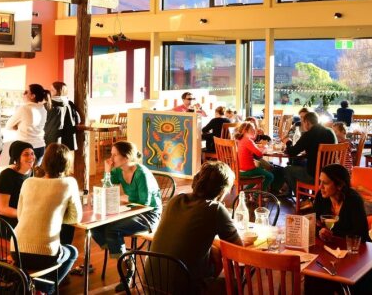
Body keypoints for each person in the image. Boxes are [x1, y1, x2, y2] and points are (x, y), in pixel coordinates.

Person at [149, 161, 242, 290]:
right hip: (180, 290)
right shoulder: (215, 209)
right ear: (222, 190)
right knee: (235, 286)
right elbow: (238, 248)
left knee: (214, 252)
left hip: (149, 286)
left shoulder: (175, 200)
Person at [91, 141, 162, 290]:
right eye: (111, 154)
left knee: (112, 230)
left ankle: (127, 271)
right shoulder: (119, 171)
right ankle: (124, 256)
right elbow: (107, 185)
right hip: (133, 209)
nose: (111, 158)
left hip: (149, 214)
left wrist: (122, 211)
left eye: (114, 155)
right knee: (95, 228)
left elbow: (144, 204)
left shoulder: (141, 174)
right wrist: (107, 171)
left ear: (126, 156)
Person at [14, 143, 81, 295]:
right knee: (72, 252)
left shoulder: (28, 182)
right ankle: (45, 290)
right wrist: (55, 217)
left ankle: (35, 288)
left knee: (54, 254)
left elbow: (20, 215)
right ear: (67, 163)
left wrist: (43, 215)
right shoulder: (69, 183)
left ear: (44, 161)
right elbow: (75, 217)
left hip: (16, 250)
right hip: (45, 253)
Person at [308, 163, 372, 292]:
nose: (320, 187)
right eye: (320, 182)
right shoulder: (321, 197)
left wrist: (333, 234)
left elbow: (360, 233)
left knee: (323, 276)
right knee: (313, 275)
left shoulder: (353, 200)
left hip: (356, 254)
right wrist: (320, 231)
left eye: (325, 183)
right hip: (331, 253)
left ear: (340, 185)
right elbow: (313, 223)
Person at [281, 111, 337, 197]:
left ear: (307, 122)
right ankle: (306, 195)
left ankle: (303, 198)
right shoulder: (330, 132)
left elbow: (292, 152)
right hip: (332, 174)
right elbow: (317, 150)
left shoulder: (308, 135)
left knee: (288, 169)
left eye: (303, 122)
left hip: (315, 176)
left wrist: (288, 142)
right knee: (299, 163)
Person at [0, 141, 34, 230]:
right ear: (17, 157)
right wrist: (26, 214)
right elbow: (2, 209)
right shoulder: (6, 177)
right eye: (26, 154)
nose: (31, 157)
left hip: (25, 218)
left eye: (32, 153)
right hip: (8, 224)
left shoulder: (32, 173)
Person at [6, 83, 49, 164]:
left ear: (33, 96)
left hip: (24, 147)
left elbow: (8, 125)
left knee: (15, 171)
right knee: (34, 171)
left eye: (26, 92)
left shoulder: (24, 108)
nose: (23, 94)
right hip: (40, 146)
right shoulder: (43, 109)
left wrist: (18, 126)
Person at [235, 121, 273, 191]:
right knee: (270, 176)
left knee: (260, 169)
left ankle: (246, 192)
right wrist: (265, 147)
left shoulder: (240, 140)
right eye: (252, 129)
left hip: (239, 170)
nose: (254, 131)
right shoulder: (248, 141)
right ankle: (257, 194)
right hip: (248, 170)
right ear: (245, 131)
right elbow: (259, 154)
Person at [44, 81, 81, 150]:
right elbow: (77, 119)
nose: (50, 92)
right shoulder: (69, 103)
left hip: (51, 138)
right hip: (67, 138)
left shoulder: (50, 104)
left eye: (52, 90)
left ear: (58, 91)